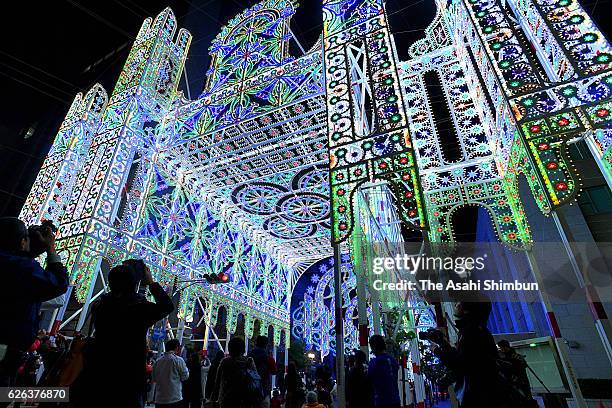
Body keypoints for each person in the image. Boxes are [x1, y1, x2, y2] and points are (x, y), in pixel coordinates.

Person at [76, 261, 174, 407]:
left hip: (98, 371)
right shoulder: (138, 309)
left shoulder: (100, 305)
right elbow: (167, 306)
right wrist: (151, 282)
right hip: (129, 376)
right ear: (135, 284)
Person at [0, 217, 68, 399]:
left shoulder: (16, 264)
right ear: (22, 241)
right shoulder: (22, 267)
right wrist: (50, 249)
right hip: (5, 351)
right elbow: (59, 283)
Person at [433, 301, 509, 407]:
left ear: (466, 310)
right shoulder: (474, 330)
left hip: (479, 396)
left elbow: (461, 364)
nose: (455, 306)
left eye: (458, 303)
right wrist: (443, 343)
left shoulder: (471, 332)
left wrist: (438, 351)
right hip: (482, 394)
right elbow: (464, 358)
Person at [212, 336, 258, 408]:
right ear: (243, 349)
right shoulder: (248, 362)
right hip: (245, 400)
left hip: (227, 399)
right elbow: (256, 380)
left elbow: (217, 382)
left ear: (230, 349)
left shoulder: (225, 362)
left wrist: (214, 398)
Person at [153, 339, 189, 408]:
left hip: (159, 399)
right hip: (174, 398)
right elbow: (185, 377)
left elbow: (154, 378)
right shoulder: (178, 360)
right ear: (177, 348)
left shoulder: (157, 361)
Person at [368, 335, 401, 408]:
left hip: (382, 401)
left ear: (374, 347)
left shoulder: (374, 363)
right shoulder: (393, 360)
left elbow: (369, 381)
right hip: (395, 400)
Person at [248, 335, 276, 407]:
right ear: (266, 345)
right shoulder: (268, 357)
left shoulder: (249, 355)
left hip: (249, 388)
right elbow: (274, 371)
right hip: (263, 388)